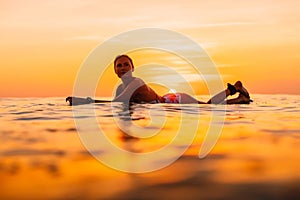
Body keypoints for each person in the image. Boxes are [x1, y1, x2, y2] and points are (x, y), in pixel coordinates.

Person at [112, 54, 252, 104]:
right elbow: (119, 104)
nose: (123, 68)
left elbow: (120, 101)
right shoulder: (120, 88)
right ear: (115, 71)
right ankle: (241, 100)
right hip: (165, 100)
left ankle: (233, 89)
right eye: (119, 66)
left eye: (126, 65)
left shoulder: (136, 82)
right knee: (208, 106)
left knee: (208, 107)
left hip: (174, 100)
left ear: (133, 68)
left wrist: (91, 102)